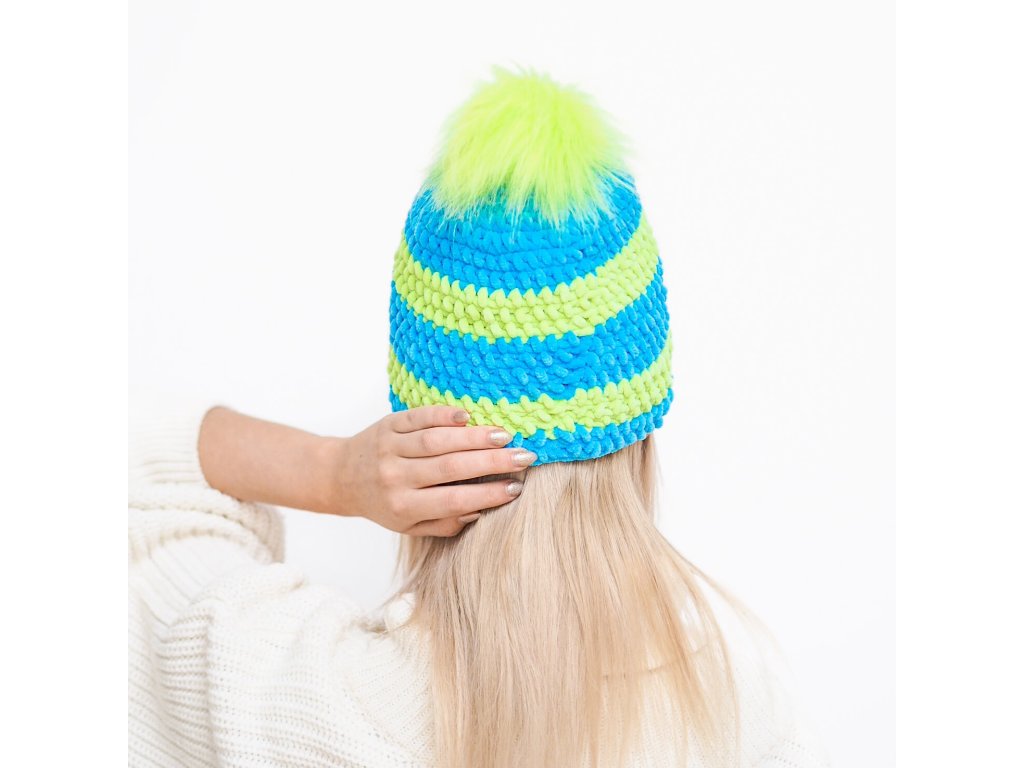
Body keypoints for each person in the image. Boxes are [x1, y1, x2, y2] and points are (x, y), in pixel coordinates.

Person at [128, 69, 829, 767]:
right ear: (640, 431)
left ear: (418, 440)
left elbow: (133, 478)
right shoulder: (744, 715)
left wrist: (334, 473)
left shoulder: (290, 694)